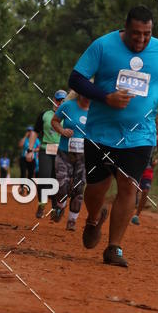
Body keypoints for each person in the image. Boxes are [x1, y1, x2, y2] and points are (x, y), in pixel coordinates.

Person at [69, 6, 158, 267]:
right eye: (136, 34)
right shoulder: (103, 46)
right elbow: (76, 79)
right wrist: (105, 97)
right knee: (96, 188)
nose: (141, 40)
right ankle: (94, 217)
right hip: (101, 133)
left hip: (140, 135)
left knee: (128, 187)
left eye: (147, 34)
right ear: (126, 28)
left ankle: (114, 248)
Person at [50, 92, 90, 230]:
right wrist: (62, 131)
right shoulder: (67, 106)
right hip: (64, 153)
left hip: (84, 157)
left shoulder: (97, 110)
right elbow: (54, 121)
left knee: (79, 188)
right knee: (62, 185)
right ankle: (60, 206)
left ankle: (72, 220)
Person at [30, 89, 68, 218]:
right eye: (58, 100)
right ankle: (42, 204)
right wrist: (30, 150)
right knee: (44, 177)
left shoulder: (68, 116)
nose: (59, 102)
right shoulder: (45, 114)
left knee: (58, 180)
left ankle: (55, 208)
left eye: (63, 100)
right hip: (45, 149)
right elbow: (35, 132)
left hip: (62, 152)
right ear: (53, 99)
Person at [131, 133, 158, 224]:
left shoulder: (157, 139)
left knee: (145, 191)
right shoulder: (138, 134)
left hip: (148, 168)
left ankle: (136, 215)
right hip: (136, 166)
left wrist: (156, 161)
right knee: (133, 190)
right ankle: (128, 211)